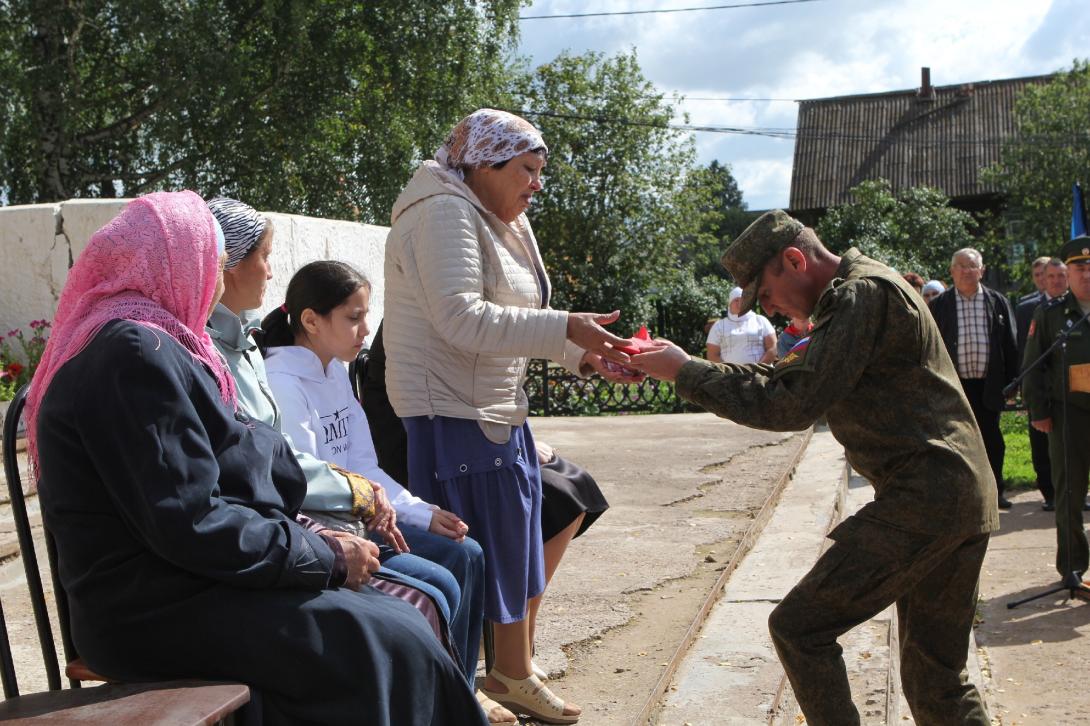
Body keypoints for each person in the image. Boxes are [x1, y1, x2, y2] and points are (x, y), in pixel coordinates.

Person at [24, 191, 486, 726]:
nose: (218, 274)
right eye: (214, 258)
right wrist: (325, 555)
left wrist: (313, 537)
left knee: (396, 625)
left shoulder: (159, 342)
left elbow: (232, 471)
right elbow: (189, 519)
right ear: (180, 262)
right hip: (151, 608)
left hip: (188, 580)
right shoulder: (131, 353)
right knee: (383, 639)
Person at [629, 210, 997, 726]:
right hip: (956, 492)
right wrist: (687, 365)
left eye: (768, 295)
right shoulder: (864, 287)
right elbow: (791, 375)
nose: (772, 311)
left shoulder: (857, 296)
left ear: (794, 260)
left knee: (800, 628)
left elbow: (792, 403)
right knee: (937, 679)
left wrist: (687, 374)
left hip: (926, 497)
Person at [202, 199, 503, 721]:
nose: (366, 330)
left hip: (343, 515)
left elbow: (359, 460)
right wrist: (366, 509)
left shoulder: (307, 366)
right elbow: (289, 472)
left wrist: (408, 506)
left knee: (465, 553)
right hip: (315, 527)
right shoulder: (270, 373)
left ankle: (458, 690)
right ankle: (446, 697)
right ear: (312, 321)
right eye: (355, 317)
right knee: (437, 586)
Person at [382, 108, 634, 724]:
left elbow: (518, 316)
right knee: (482, 546)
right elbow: (463, 319)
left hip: (492, 406)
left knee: (518, 535)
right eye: (527, 169)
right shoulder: (443, 211)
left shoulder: (493, 217)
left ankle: (506, 670)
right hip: (453, 410)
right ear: (485, 164)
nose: (537, 184)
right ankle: (492, 676)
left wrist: (584, 356)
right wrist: (565, 332)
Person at [362, 320, 610, 681]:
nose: (361, 327)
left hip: (478, 435)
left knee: (573, 486)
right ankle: (506, 651)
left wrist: (520, 439)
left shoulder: (477, 305)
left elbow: (503, 358)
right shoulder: (441, 309)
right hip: (418, 444)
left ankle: (520, 642)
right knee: (545, 494)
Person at [1022, 237, 1090, 583]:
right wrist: (1039, 411)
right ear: (1068, 272)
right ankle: (1074, 567)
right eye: (1080, 268)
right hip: (1070, 416)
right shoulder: (1050, 314)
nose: (1087, 274)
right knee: (1069, 494)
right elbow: (1033, 366)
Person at [929, 248, 1019, 509]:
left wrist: (1013, 381)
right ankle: (962, 496)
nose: (968, 271)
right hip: (954, 387)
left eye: (973, 266)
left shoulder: (997, 302)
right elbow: (931, 347)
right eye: (962, 266)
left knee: (992, 440)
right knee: (956, 442)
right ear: (952, 271)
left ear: (982, 270)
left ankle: (995, 492)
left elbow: (1010, 344)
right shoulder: (940, 305)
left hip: (989, 385)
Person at [1015, 257, 1068, 510]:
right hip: (1042, 390)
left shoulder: (1078, 307)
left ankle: (1071, 493)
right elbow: (1025, 355)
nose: (1056, 281)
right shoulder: (1029, 309)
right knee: (1041, 446)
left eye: (1061, 276)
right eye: (1050, 277)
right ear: (1041, 280)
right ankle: (1050, 494)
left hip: (1072, 393)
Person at [706, 286, 777, 364]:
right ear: (729, 304)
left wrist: (759, 368)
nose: (740, 303)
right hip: (729, 375)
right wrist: (727, 372)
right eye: (736, 300)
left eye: (743, 300)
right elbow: (712, 355)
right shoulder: (719, 326)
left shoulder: (760, 320)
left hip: (759, 374)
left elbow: (773, 347)